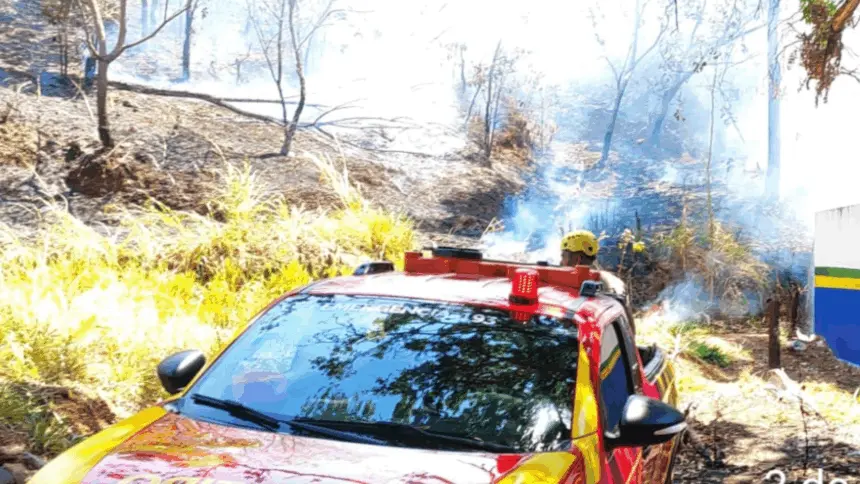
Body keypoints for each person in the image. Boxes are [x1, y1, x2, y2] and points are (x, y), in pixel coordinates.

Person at [560, 230, 635, 332]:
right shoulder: (613, 282)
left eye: (563, 256)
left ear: (578, 259)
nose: (561, 262)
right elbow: (629, 330)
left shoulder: (572, 283)